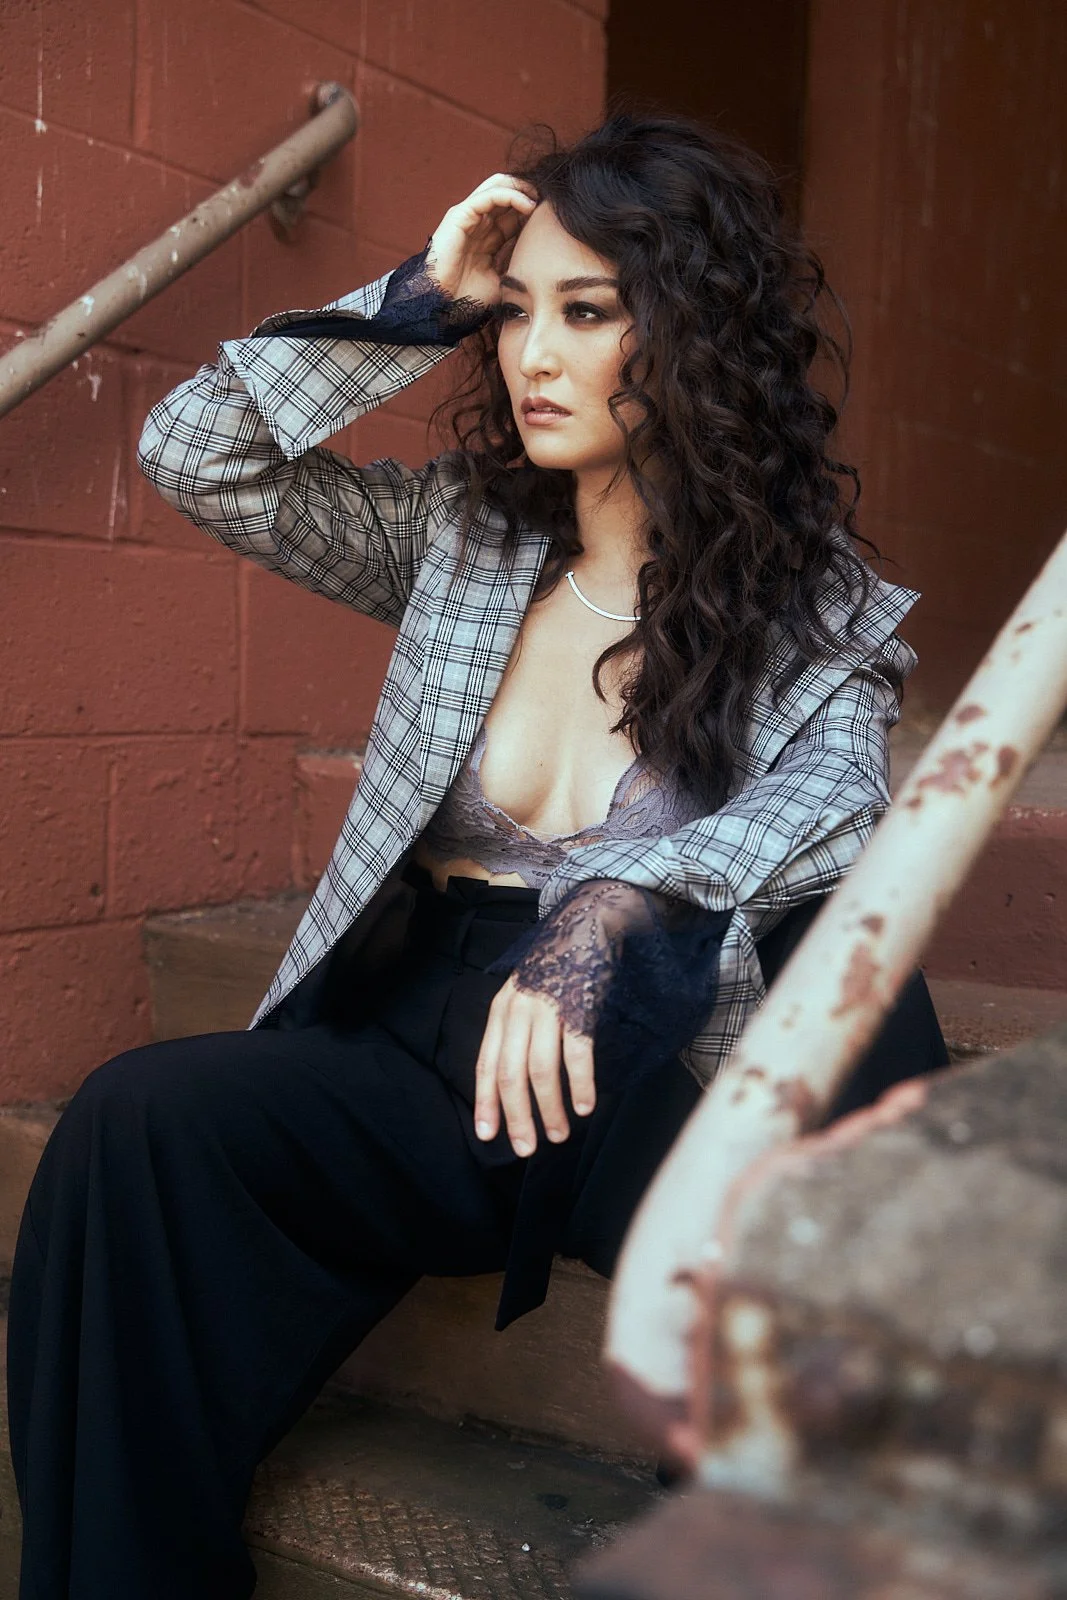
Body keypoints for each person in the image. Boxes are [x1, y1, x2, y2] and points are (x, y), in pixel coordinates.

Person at [5, 110, 948, 1598]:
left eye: (584, 313)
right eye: (514, 316)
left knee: (828, 1122)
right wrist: (416, 298)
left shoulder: (810, 605)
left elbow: (836, 803)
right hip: (422, 1037)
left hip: (642, 1049)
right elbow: (197, 452)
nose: (530, 357)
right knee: (137, 1124)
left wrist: (616, 901)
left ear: (693, 333)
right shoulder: (460, 542)